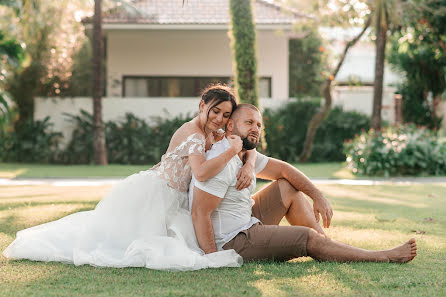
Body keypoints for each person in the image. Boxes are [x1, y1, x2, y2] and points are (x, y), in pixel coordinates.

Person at [3, 84, 255, 271]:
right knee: (117, 241)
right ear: (203, 105)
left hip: (175, 198)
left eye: (225, 115)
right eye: (215, 111)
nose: (219, 119)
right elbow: (200, 171)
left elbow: (249, 145)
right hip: (156, 192)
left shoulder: (213, 133)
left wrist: (248, 163)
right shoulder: (194, 133)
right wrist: (232, 151)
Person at [190, 104, 417, 263]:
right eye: (249, 122)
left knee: (287, 186)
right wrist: (214, 258)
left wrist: (318, 196)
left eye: (259, 125)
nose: (255, 129)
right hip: (233, 241)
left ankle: (327, 245)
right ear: (230, 126)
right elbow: (200, 213)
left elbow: (285, 170)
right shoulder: (221, 162)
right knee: (307, 238)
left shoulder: (242, 152)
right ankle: (383, 255)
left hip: (246, 220)